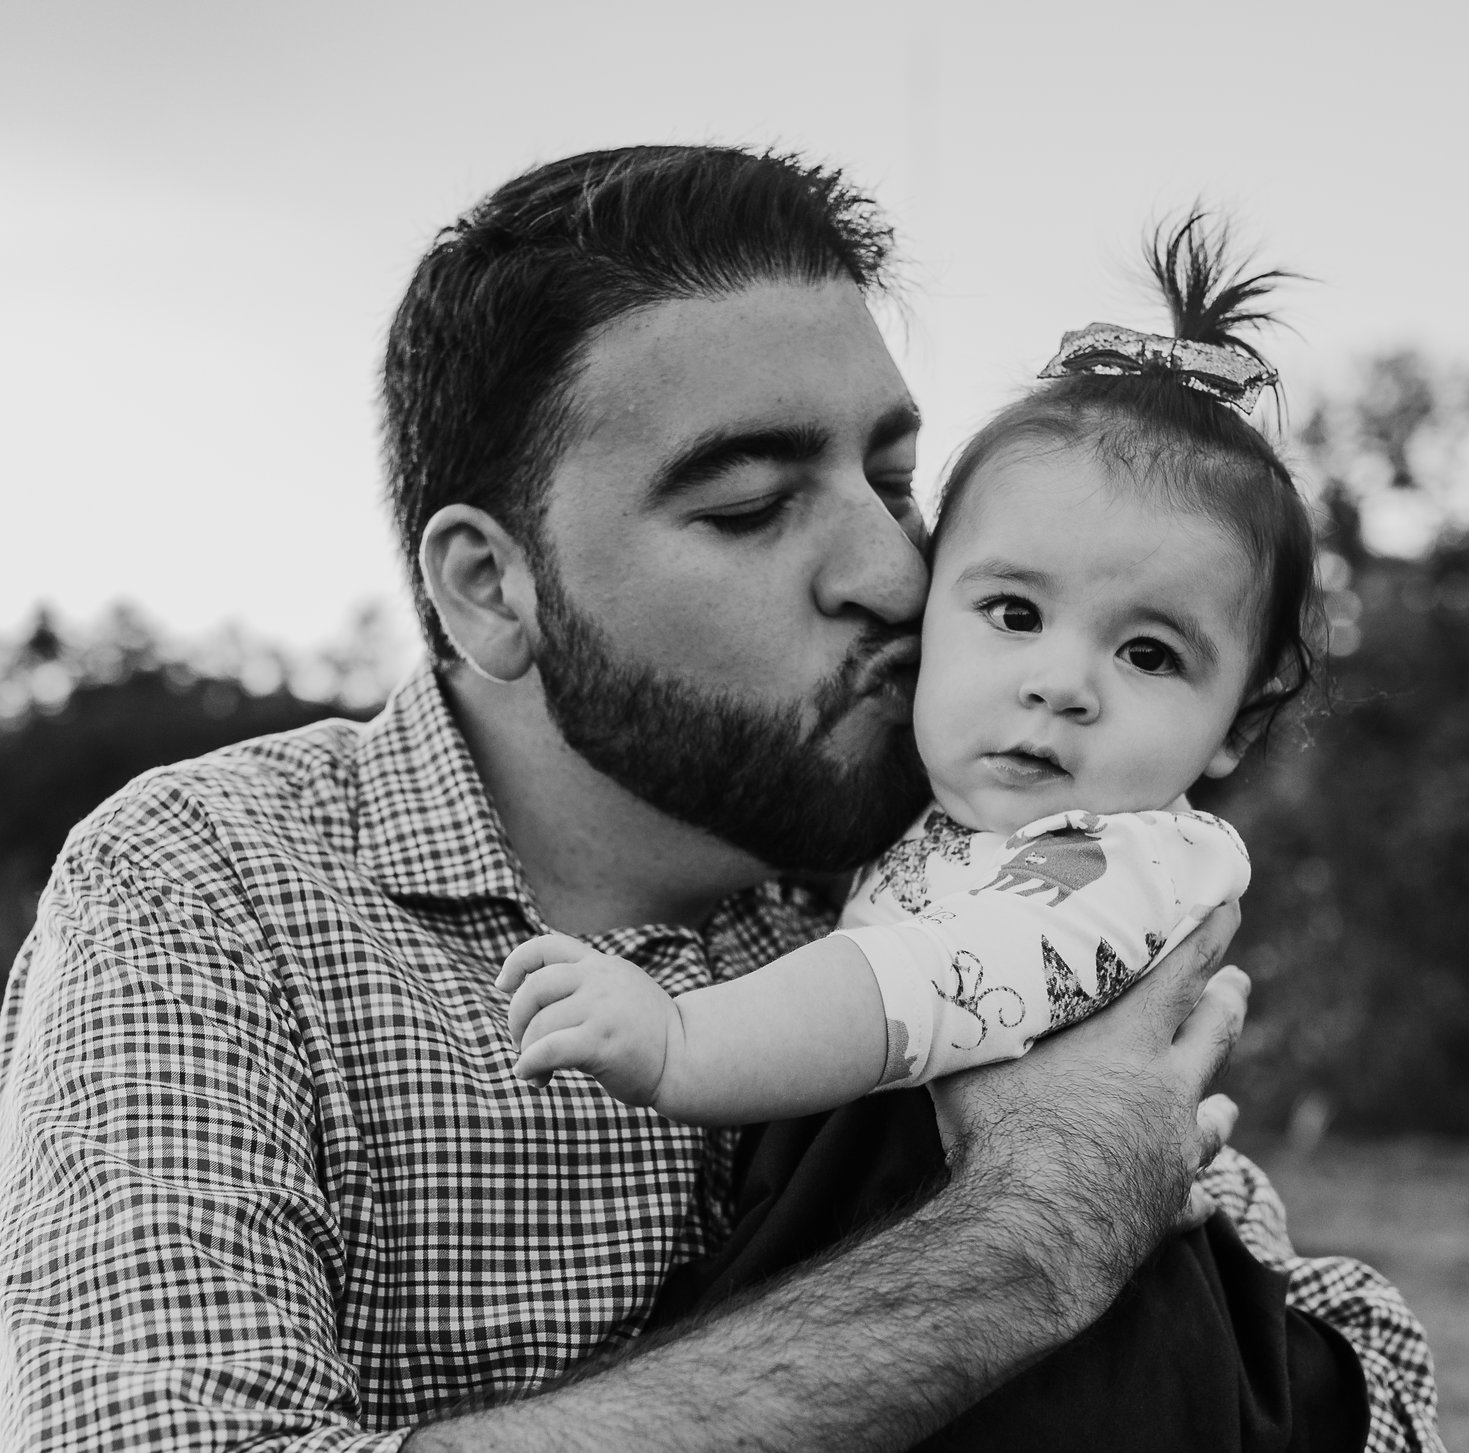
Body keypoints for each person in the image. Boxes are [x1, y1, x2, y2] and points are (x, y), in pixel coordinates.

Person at [0, 145, 1469, 1453]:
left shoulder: (973, 846)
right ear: (490, 587)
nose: (892, 574)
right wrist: (1015, 1244)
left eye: (896, 478)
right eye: (756, 503)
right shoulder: (215, 885)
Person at [496, 219, 1293, 1125]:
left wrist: (683, 1043)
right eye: (1015, 614)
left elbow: (915, 983)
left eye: (1149, 654)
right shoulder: (919, 797)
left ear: (1238, 725)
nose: (1060, 682)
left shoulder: (1138, 863)